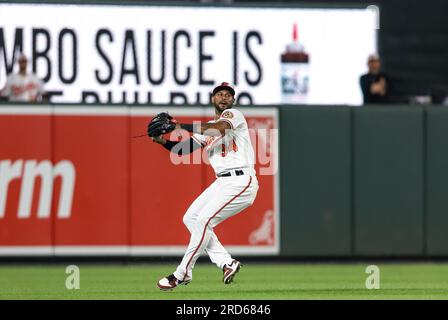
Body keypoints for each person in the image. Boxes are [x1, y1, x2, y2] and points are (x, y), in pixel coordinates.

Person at [148, 82, 259, 290]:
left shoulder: (234, 115)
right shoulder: (207, 126)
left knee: (204, 220)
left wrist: (178, 126)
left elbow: (220, 129)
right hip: (223, 181)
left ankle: (181, 274)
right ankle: (226, 263)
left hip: (241, 179)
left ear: (233, 100)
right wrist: (161, 140)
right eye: (219, 94)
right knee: (190, 218)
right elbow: (182, 149)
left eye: (228, 95)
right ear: (212, 99)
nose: (224, 97)